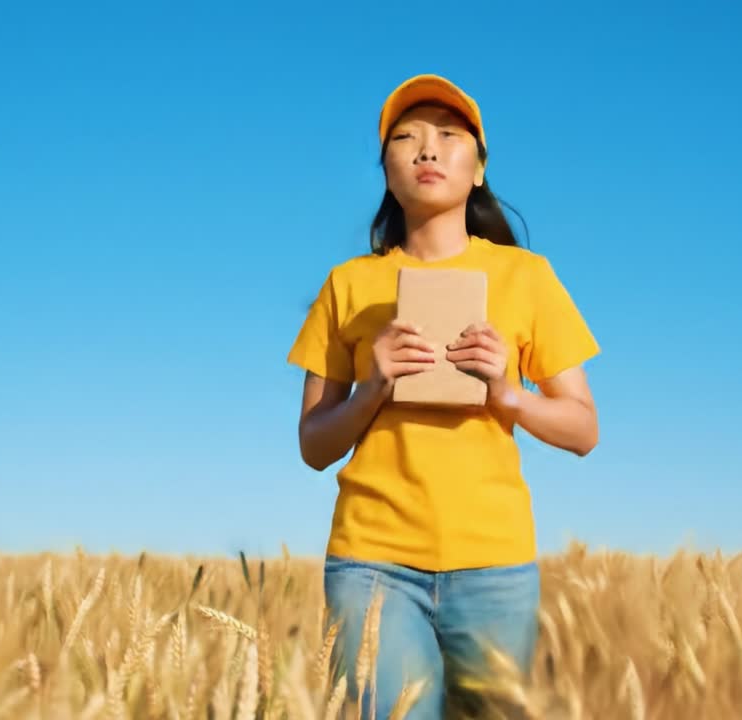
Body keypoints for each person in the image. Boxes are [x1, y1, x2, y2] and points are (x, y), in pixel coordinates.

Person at [286, 74, 600, 719]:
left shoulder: (527, 277)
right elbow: (314, 445)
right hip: (371, 562)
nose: (428, 150)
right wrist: (373, 389)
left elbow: (583, 429)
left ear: (479, 169)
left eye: (449, 137)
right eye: (407, 139)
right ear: (387, 171)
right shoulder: (348, 285)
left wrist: (508, 396)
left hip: (495, 562)